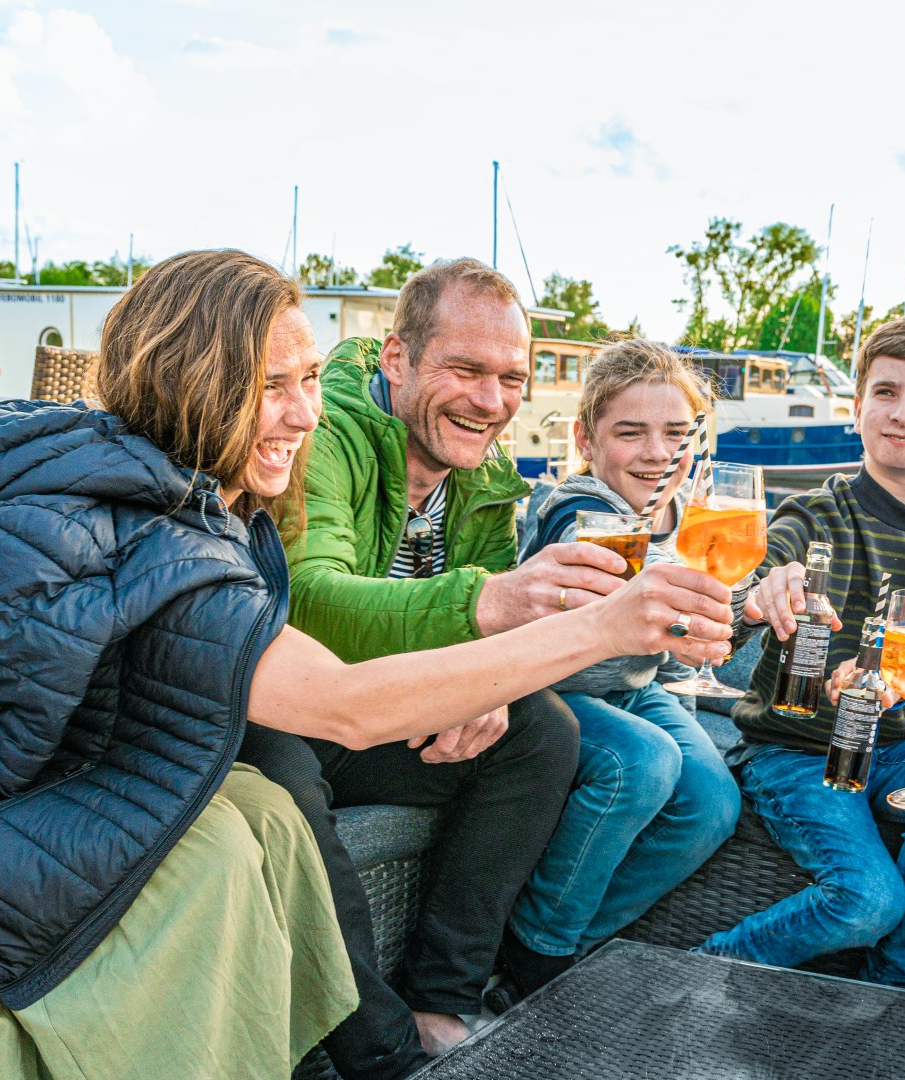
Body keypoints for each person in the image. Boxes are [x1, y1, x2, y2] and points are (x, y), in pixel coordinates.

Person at [0, 250, 735, 1079]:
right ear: (195, 382)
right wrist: (607, 625)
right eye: (274, 386)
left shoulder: (190, 497)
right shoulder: (154, 534)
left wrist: (494, 677)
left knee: (481, 748)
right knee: (265, 795)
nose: (306, 413)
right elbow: (344, 702)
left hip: (94, 753)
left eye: (313, 379)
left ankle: (430, 1009)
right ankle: (385, 1053)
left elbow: (286, 651)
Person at [252, 257, 700, 1064]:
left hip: (402, 709)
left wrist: (485, 677)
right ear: (397, 359)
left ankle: (446, 1001)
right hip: (300, 701)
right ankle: (377, 1049)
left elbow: (492, 642)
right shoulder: (329, 437)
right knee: (277, 773)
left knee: (540, 732)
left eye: (511, 378)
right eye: (464, 369)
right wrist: (486, 605)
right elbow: (309, 600)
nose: (490, 401)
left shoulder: (488, 473)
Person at [696, 315, 905, 988]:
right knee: (870, 899)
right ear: (855, 407)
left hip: (896, 750)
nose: (902, 413)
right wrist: (761, 588)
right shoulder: (809, 514)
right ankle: (713, 964)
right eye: (885, 392)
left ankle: (892, 989)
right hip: (795, 749)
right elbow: (744, 597)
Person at [501, 339, 742, 999]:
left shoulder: (683, 513)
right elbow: (623, 568)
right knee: (643, 764)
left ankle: (579, 945)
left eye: (675, 433)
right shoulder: (576, 506)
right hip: (553, 687)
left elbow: (710, 586)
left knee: (713, 802)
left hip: (633, 687)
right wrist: (686, 619)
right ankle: (534, 954)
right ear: (585, 439)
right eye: (630, 433)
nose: (657, 452)